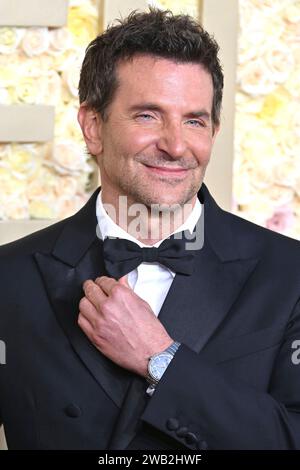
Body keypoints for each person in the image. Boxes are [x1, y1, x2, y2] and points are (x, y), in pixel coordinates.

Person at [0, 8, 300, 451]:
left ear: (214, 130)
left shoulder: (290, 274)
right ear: (93, 126)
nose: (176, 145)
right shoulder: (9, 276)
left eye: (194, 120)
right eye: (148, 116)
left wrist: (161, 360)